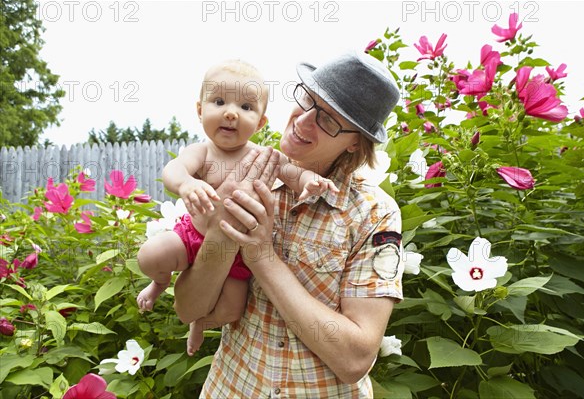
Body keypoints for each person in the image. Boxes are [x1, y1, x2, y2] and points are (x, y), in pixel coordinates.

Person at [174, 51, 404, 398]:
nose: (303, 121)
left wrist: (261, 255)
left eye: (328, 119)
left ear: (355, 141)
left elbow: (354, 359)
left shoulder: (374, 214)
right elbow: (187, 309)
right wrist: (223, 229)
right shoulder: (248, 173)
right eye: (307, 100)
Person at [136, 59, 337, 356]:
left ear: (260, 122)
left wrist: (310, 182)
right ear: (200, 110)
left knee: (231, 310)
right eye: (219, 101)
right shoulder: (202, 152)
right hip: (193, 236)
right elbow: (173, 171)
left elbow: (295, 175)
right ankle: (159, 283)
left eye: (245, 107)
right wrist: (186, 185)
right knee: (150, 255)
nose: (231, 112)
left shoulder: (264, 157)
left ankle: (202, 323)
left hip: (237, 252)